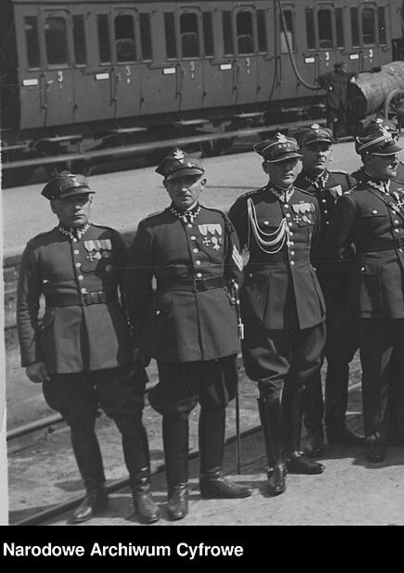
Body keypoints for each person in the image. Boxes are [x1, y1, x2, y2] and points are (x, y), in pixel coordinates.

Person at [17, 174, 158, 525]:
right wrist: (32, 357)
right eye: (69, 202)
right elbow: (25, 306)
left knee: (128, 417)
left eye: (83, 200)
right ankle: (96, 493)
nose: (78, 207)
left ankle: (142, 491)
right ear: (54, 206)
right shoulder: (39, 247)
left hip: (112, 343)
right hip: (64, 349)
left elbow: (134, 293)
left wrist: (140, 341)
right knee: (79, 422)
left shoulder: (109, 238)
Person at [126, 151, 251, 521]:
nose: (184, 188)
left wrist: (230, 308)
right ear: (166, 186)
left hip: (217, 322)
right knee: (177, 408)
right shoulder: (152, 229)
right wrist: (145, 333)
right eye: (175, 182)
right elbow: (135, 289)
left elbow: (236, 269)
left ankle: (212, 476)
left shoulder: (220, 220)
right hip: (175, 328)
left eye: (190, 180)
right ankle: (177, 490)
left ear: (203, 183)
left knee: (217, 399)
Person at [322, 121, 404, 462]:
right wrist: (355, 288)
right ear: (368, 159)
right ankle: (375, 433)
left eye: (395, 155)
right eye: (386, 156)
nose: (394, 160)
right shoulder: (353, 200)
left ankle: (401, 426)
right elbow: (337, 251)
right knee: (376, 366)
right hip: (374, 291)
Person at [228, 134, 327, 496]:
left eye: (292, 162)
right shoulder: (249, 206)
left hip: (304, 301)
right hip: (265, 304)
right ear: (266, 167)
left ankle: (296, 450)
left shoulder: (310, 202)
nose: (287, 169)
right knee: (271, 385)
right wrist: (238, 295)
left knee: (301, 376)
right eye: (279, 164)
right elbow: (234, 257)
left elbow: (314, 251)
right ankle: (276, 462)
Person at [292, 124, 362, 452]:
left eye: (325, 148)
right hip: (308, 284)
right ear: (300, 152)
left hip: (340, 285)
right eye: (312, 148)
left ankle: (337, 425)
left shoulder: (344, 182)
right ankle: (313, 428)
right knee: (309, 359)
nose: (320, 153)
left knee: (340, 356)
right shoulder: (293, 187)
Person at [320, 63, 352, 140]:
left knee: (343, 119)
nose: (345, 69)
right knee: (330, 120)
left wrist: (354, 77)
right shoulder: (331, 75)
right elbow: (321, 78)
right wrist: (328, 87)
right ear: (338, 69)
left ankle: (336, 134)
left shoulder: (345, 75)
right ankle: (331, 137)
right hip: (332, 101)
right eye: (343, 68)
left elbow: (354, 74)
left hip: (342, 102)